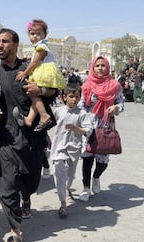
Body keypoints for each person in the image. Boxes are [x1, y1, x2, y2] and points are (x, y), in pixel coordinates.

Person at [0, 28, 56, 242]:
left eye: (5, 41)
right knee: (6, 187)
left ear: (15, 44)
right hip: (6, 138)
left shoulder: (30, 69)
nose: (0, 46)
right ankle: (15, 231)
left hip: (32, 138)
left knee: (30, 182)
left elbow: (53, 90)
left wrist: (40, 91)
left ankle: (26, 196)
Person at [78, 56, 124, 202]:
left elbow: (121, 103)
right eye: (97, 66)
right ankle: (85, 188)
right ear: (93, 67)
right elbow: (81, 105)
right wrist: (85, 116)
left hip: (105, 125)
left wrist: (116, 107)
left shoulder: (114, 85)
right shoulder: (87, 85)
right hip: (89, 125)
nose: (100, 68)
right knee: (87, 157)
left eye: (103, 65)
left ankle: (96, 177)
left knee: (103, 160)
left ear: (107, 67)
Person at [13, 19, 65, 132]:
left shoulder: (41, 47)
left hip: (44, 72)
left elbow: (35, 62)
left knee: (33, 94)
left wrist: (25, 73)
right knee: (35, 97)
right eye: (32, 34)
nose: (35, 36)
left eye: (38, 34)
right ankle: (29, 119)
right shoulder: (40, 46)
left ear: (45, 35)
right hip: (43, 71)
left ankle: (44, 115)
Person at [50, 86, 92, 216]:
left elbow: (88, 130)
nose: (74, 100)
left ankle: (67, 189)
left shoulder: (82, 113)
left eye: (77, 97)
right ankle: (63, 203)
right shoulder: (58, 111)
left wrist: (76, 129)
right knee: (59, 173)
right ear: (64, 97)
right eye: (71, 97)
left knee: (70, 174)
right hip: (58, 147)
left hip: (74, 149)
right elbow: (48, 123)